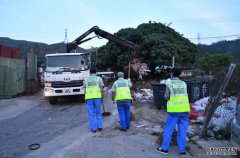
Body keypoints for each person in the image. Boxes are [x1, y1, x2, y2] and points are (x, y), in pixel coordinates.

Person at [156, 68, 190, 156]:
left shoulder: (169, 83)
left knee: (169, 129)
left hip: (174, 111)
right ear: (180, 74)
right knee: (183, 131)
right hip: (184, 110)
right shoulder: (184, 84)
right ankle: (182, 151)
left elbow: (166, 96)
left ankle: (164, 149)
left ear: (172, 74)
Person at [84, 67, 104, 133]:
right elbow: (101, 89)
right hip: (97, 97)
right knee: (98, 112)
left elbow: (84, 90)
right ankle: (100, 127)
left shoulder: (86, 80)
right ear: (96, 72)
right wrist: (102, 97)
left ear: (90, 72)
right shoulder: (99, 79)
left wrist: (85, 98)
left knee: (91, 113)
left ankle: (93, 128)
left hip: (89, 98)